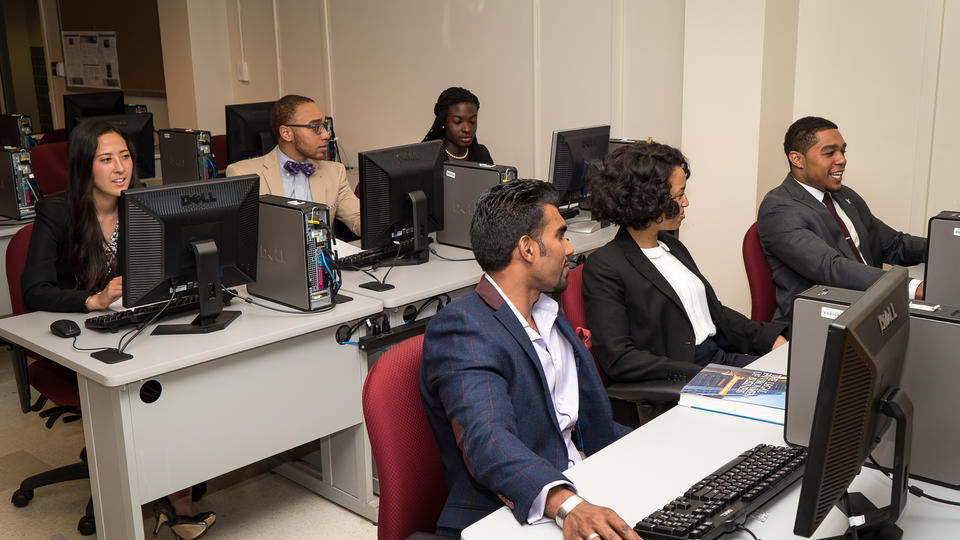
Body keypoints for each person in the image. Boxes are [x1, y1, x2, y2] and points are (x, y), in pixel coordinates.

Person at [21, 120, 216, 540]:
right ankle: (176, 498)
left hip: (135, 327)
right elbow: (34, 291)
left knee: (189, 373)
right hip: (78, 337)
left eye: (125, 156)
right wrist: (91, 300)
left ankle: (170, 477)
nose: (120, 167)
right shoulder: (56, 212)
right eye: (106, 159)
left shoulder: (144, 204)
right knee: (161, 387)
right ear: (83, 167)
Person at [419, 179, 638, 539]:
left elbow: (579, 422)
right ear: (527, 249)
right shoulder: (463, 328)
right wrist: (568, 506)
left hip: (585, 482)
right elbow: (488, 440)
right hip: (513, 511)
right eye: (560, 236)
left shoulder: (547, 310)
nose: (570, 248)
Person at [583, 142, 787, 386]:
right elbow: (620, 358)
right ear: (647, 200)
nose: (686, 202)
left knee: (803, 381)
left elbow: (714, 313)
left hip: (717, 359)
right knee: (790, 399)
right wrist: (700, 376)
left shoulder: (672, 247)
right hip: (683, 378)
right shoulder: (606, 266)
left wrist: (770, 339)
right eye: (679, 195)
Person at [757, 116, 927, 320]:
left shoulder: (845, 196)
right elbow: (831, 268)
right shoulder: (779, 208)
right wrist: (911, 286)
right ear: (797, 159)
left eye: (842, 151)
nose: (842, 159)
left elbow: (895, 245)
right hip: (822, 320)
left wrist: (946, 249)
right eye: (829, 153)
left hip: (874, 306)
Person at [226, 94, 361, 236]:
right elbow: (243, 237)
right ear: (286, 133)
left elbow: (358, 219)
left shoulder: (334, 172)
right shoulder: (243, 174)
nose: (326, 135)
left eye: (324, 126)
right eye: (315, 127)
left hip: (321, 256)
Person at [422, 86, 493, 164]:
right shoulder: (426, 157)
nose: (467, 129)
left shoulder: (482, 154)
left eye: (472, 121)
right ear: (443, 122)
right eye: (458, 122)